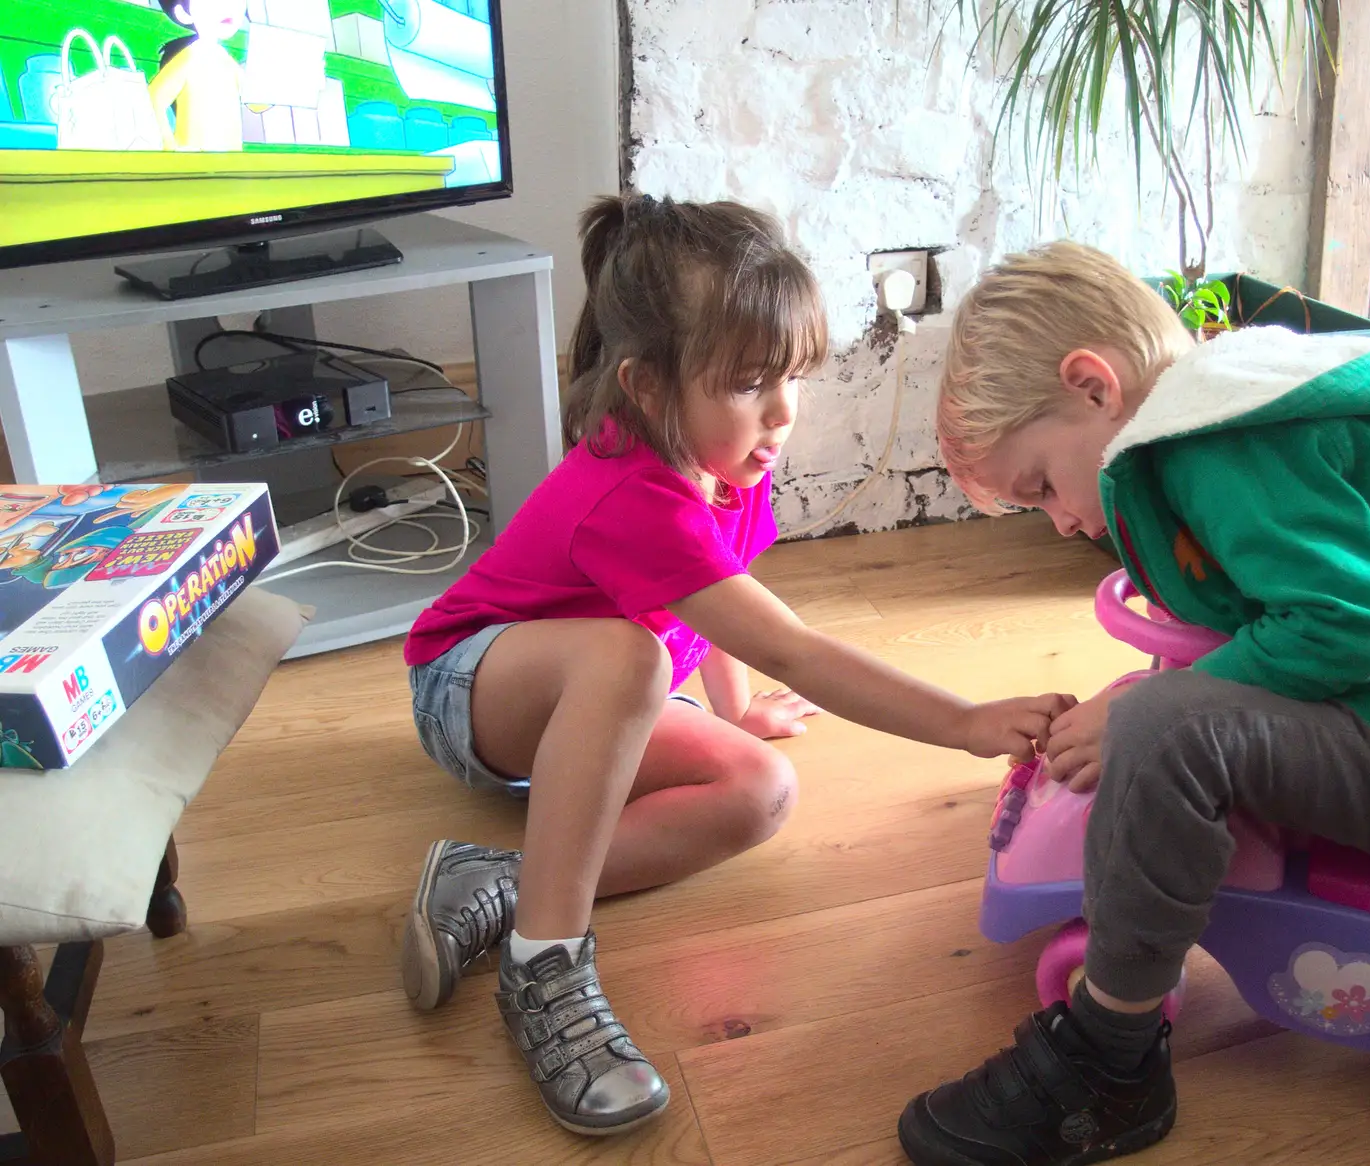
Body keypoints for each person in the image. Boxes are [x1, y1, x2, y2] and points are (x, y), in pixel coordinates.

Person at [897, 240, 1370, 1166]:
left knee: (1158, 726)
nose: (1064, 520)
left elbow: (1349, 628)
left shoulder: (1222, 447)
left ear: (1092, 385)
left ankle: (1108, 1065)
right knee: (1169, 711)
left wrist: (1172, 707)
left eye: (1041, 487)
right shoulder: (1244, 392)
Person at [399, 194, 1065, 1138]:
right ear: (646, 386)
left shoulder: (727, 467)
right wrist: (961, 722)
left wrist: (737, 712)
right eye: (752, 383)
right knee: (629, 658)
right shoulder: (627, 493)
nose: (785, 413)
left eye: (793, 376)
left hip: (591, 702)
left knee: (763, 790)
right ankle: (542, 960)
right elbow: (790, 641)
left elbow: (720, 617)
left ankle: (500, 879)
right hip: (467, 690)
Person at [148, 0, 248, 152]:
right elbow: (153, 99)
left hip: (231, 162)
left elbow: (253, 99)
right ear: (183, 13)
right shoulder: (189, 57)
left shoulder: (226, 60)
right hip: (196, 161)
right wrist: (168, 145)